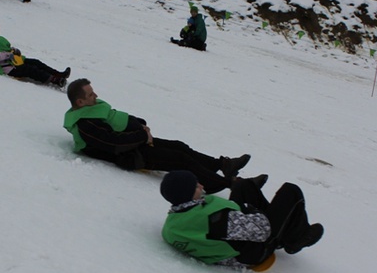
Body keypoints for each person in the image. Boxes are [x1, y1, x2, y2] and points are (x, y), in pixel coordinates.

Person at [64, 79, 252, 193]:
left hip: (137, 142)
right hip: (131, 155)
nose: (95, 95)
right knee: (180, 159)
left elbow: (115, 117)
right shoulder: (85, 125)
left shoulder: (90, 108)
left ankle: (222, 165)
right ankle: (229, 184)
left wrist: (140, 123)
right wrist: (142, 136)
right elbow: (114, 144)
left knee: (179, 146)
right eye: (90, 95)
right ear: (80, 102)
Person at [160, 170, 324, 269]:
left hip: (232, 233)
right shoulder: (213, 220)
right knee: (290, 191)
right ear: (187, 194)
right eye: (196, 186)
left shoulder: (174, 222)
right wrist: (251, 210)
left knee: (243, 186)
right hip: (254, 250)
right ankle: (294, 240)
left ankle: (288, 227)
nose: (202, 186)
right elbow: (263, 230)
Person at [0, 15, 71, 87]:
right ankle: (54, 80)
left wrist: (14, 51)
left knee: (35, 62)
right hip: (8, 68)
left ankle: (58, 74)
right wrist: (8, 55)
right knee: (30, 69)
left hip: (15, 62)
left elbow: (5, 49)